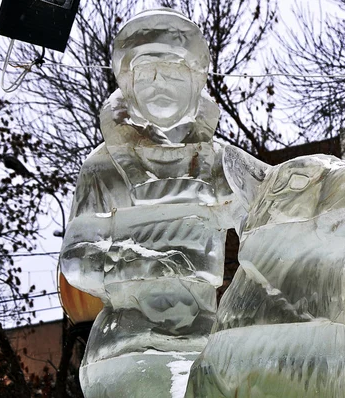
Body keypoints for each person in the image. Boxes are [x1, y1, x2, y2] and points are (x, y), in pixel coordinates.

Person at [59, 9, 241, 397]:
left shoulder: (222, 165)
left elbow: (275, 218)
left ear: (196, 80)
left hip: (204, 349)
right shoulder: (103, 169)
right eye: (145, 73)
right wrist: (140, 261)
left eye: (174, 72)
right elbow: (76, 258)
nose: (160, 85)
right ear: (127, 83)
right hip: (126, 350)